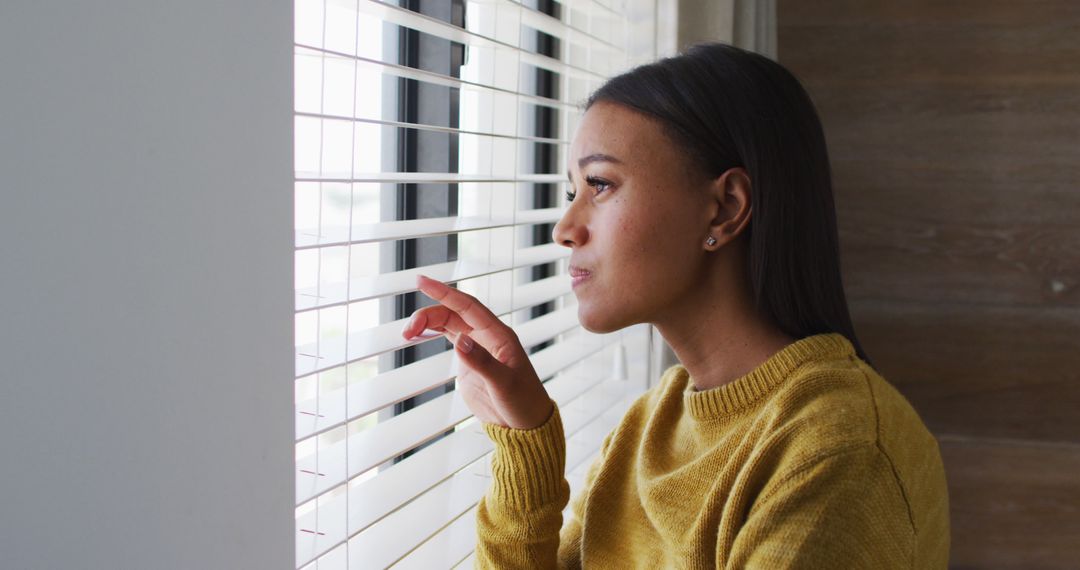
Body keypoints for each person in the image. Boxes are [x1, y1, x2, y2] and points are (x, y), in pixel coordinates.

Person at [401, 42, 950, 569]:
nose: (565, 229)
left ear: (724, 209)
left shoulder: (838, 452)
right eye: (573, 192)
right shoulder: (650, 423)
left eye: (601, 184)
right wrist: (525, 448)